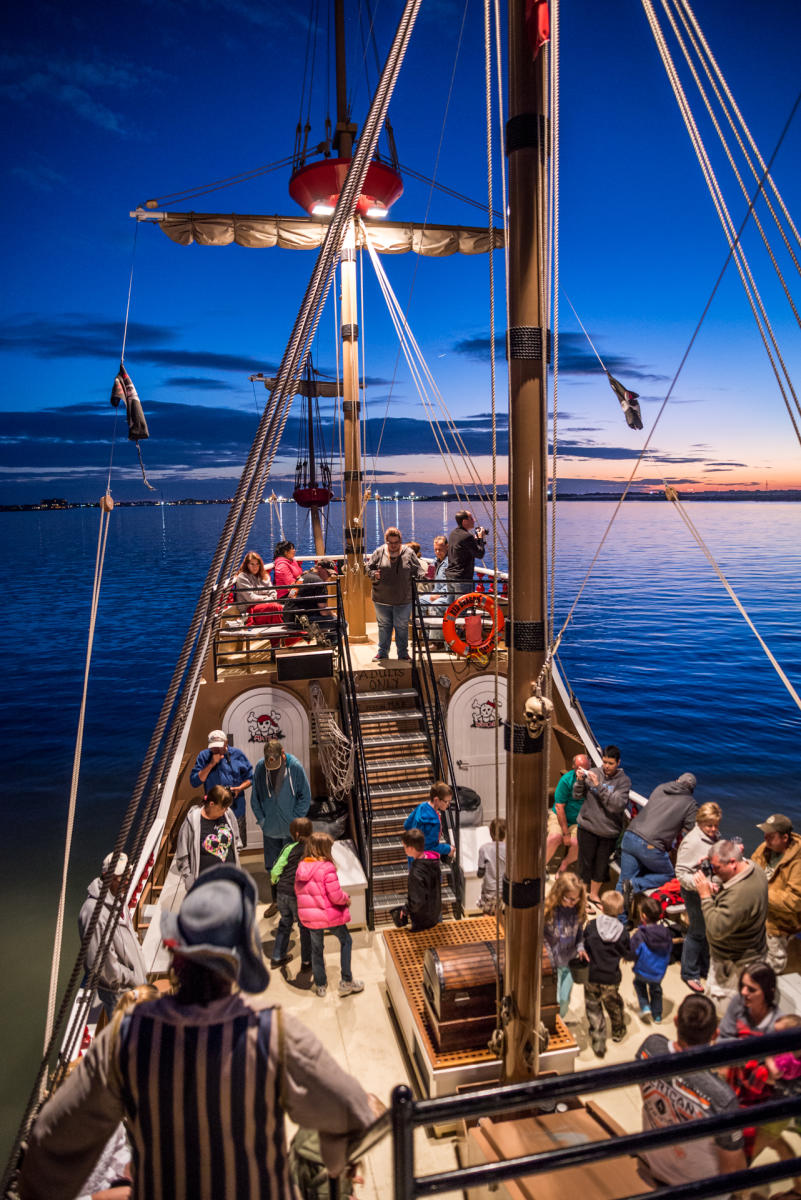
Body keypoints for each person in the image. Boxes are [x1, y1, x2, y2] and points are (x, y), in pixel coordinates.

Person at [19, 866, 376, 1199]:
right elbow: (357, 1111)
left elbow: (48, 1148)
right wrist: (334, 1156)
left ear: (175, 955)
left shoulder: (125, 1040)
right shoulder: (275, 1036)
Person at [636, 994, 746, 1196]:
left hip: (654, 1166)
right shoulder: (721, 1097)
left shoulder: (650, 1049)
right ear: (715, 1034)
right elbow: (730, 1166)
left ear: (676, 1021)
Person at [694, 838, 769, 1008]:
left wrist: (705, 897)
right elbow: (735, 903)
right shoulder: (755, 869)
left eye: (717, 868)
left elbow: (716, 929)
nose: (714, 872)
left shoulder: (739, 895)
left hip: (734, 963)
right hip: (754, 950)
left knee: (725, 1010)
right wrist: (720, 889)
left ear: (733, 863)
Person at [78, 852, 148, 1021]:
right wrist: (133, 978)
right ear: (106, 876)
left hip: (135, 987)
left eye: (128, 875)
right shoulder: (94, 914)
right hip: (121, 995)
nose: (126, 881)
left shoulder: (117, 897)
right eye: (120, 877)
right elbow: (104, 969)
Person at [294, 833, 364, 998]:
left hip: (310, 918)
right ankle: (346, 980)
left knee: (317, 950)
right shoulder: (327, 868)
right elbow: (335, 896)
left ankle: (320, 985)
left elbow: (298, 892)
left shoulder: (301, 867)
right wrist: (346, 899)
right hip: (328, 916)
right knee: (346, 940)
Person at [251, 739, 311, 916]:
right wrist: (262, 821)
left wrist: (295, 820)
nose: (273, 766)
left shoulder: (295, 767)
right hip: (270, 829)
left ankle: (294, 904)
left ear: (282, 754)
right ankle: (276, 902)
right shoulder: (261, 768)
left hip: (291, 830)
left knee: (293, 865)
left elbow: (305, 796)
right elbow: (255, 798)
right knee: (272, 866)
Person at [618, 772, 697, 901]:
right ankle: (636, 884)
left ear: (677, 780)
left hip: (630, 834)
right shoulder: (690, 803)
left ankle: (617, 918)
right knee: (669, 875)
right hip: (650, 845)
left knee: (623, 881)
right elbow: (693, 828)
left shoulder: (662, 787)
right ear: (691, 790)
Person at [573, 745, 631, 907]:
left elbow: (616, 806)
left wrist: (599, 786)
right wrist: (579, 781)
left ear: (618, 763)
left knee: (601, 865)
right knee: (585, 864)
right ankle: (582, 898)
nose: (606, 766)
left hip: (608, 831)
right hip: (587, 827)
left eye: (610, 763)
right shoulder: (594, 772)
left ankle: (594, 895)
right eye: (604, 762)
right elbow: (577, 795)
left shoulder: (624, 782)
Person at [675, 801, 722, 993]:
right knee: (697, 931)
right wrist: (701, 885)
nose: (713, 829)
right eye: (709, 825)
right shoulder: (692, 842)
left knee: (707, 931)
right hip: (695, 894)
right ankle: (689, 972)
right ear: (700, 822)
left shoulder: (714, 837)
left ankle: (704, 966)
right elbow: (681, 873)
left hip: (710, 892)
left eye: (716, 825)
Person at [751, 813, 801, 974]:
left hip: (779, 924)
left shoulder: (797, 863)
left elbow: (795, 901)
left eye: (771, 835)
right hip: (758, 916)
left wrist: (762, 891)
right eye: (765, 833)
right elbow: (752, 868)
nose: (765, 837)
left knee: (772, 965)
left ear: (785, 838)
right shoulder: (765, 847)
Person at [583, 890, 631, 1056]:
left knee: (593, 1005)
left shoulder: (591, 926)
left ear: (601, 907)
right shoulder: (623, 932)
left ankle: (598, 1037)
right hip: (611, 977)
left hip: (592, 974)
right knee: (613, 1005)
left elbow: (584, 946)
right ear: (620, 910)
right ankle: (618, 1031)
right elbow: (627, 952)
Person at [365, 527, 424, 662]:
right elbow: (368, 567)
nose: (393, 546)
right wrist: (374, 574)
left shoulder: (408, 552)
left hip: (403, 599)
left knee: (401, 627)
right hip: (381, 599)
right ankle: (382, 652)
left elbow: (419, 570)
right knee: (384, 626)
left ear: (400, 541)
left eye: (396, 542)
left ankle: (403, 653)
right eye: (390, 543)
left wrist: (420, 577)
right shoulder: (379, 552)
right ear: (386, 542)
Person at [189, 728, 253, 847]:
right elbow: (194, 782)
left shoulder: (238, 754)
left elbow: (250, 778)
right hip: (213, 811)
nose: (217, 750)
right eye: (213, 747)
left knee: (236, 846)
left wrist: (239, 788)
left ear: (226, 743)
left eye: (219, 746)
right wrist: (212, 764)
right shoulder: (204, 756)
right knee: (215, 846)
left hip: (236, 808)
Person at [175, 784, 242, 889]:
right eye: (222, 808)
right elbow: (182, 854)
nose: (225, 810)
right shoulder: (192, 820)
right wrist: (188, 878)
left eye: (226, 808)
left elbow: (236, 840)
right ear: (211, 804)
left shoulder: (228, 814)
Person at [543, 872, 588, 1020]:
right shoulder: (547, 911)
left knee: (564, 1000)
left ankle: (559, 1021)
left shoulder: (578, 911)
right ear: (558, 893)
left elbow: (580, 934)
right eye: (569, 899)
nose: (572, 902)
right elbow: (540, 936)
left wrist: (581, 948)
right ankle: (551, 1024)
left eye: (576, 899)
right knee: (553, 1000)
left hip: (569, 962)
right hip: (552, 964)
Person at [270, 815, 313, 970]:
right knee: (305, 927)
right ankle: (307, 961)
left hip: (282, 892)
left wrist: (275, 882)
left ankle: (277, 957)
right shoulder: (312, 850)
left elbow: (275, 871)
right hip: (299, 895)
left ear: (295, 834)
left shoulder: (288, 848)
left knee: (285, 923)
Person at [546, 753, 591, 874]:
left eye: (585, 769)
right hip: (560, 816)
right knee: (555, 838)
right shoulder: (566, 780)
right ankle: (540, 867)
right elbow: (559, 807)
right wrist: (565, 833)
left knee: (577, 843)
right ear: (573, 768)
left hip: (579, 820)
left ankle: (564, 865)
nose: (582, 772)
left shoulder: (592, 780)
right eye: (579, 769)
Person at [631, 895, 673, 1024]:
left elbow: (633, 951)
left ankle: (645, 1006)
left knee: (639, 984)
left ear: (643, 916)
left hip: (642, 969)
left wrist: (627, 957)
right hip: (658, 971)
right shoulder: (666, 933)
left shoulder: (640, 935)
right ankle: (657, 1015)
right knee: (656, 989)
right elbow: (670, 948)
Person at [390, 828, 442, 931]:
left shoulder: (416, 872)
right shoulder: (433, 861)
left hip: (422, 919)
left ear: (411, 848)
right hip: (435, 912)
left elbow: (417, 901)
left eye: (405, 847)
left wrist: (405, 909)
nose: (404, 849)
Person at [718, 960, 781, 1040]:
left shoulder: (779, 1023)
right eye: (742, 985)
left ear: (768, 992)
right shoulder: (738, 1001)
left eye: (751, 989)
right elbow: (723, 1036)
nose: (743, 992)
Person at [283, 558, 338, 634]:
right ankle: (331, 644)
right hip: (300, 621)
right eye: (328, 573)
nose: (329, 576)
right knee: (341, 622)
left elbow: (291, 595)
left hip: (288, 619)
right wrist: (333, 614)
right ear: (319, 568)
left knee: (326, 619)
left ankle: (325, 641)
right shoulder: (319, 582)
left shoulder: (302, 578)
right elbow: (324, 612)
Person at [403, 782, 455, 859]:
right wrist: (448, 849)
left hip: (413, 855)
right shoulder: (434, 822)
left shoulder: (421, 806)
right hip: (424, 860)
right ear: (436, 800)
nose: (448, 804)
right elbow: (430, 847)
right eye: (446, 801)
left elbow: (407, 825)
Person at [446, 510, 486, 592]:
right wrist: (481, 538)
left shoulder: (453, 534)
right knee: (463, 604)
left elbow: (467, 549)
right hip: (462, 579)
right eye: (471, 518)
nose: (474, 520)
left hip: (451, 576)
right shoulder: (467, 536)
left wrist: (476, 540)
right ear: (464, 521)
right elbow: (480, 554)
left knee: (452, 604)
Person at [477, 818, 507, 915]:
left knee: (487, 915)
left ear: (490, 832)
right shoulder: (509, 848)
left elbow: (480, 874)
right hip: (505, 890)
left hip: (490, 890)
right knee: (503, 916)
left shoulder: (483, 849)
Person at [421, 535, 450, 611]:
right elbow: (428, 577)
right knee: (419, 601)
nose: (437, 552)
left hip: (447, 596)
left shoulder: (451, 562)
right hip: (435, 592)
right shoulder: (435, 561)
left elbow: (452, 583)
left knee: (435, 606)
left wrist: (439, 595)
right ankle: (421, 623)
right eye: (435, 550)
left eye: (440, 550)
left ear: (447, 547)